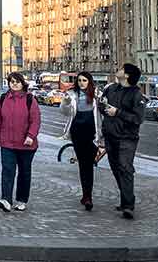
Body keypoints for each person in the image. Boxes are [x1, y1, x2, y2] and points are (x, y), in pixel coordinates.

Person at [101, 63, 146, 220]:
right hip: (110, 135)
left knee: (125, 168)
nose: (117, 70)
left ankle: (128, 206)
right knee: (115, 168)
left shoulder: (136, 94)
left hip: (127, 138)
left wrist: (117, 112)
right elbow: (101, 106)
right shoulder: (111, 89)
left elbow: (138, 118)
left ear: (126, 75)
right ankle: (125, 199)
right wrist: (104, 106)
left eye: (121, 69)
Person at [0, 72, 41, 213]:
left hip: (26, 144)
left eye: (17, 81)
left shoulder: (30, 99)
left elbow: (35, 120)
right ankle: (6, 199)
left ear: (22, 83)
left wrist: (31, 136)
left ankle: (21, 200)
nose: (14, 84)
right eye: (12, 81)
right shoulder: (3, 98)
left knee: (24, 172)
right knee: (7, 170)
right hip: (7, 143)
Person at [60, 72, 104, 211]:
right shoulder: (72, 94)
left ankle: (87, 195)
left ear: (89, 81)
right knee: (83, 165)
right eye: (79, 80)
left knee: (88, 165)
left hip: (92, 133)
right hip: (78, 132)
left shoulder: (97, 94)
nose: (81, 83)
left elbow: (102, 112)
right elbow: (64, 112)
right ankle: (87, 196)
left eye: (84, 80)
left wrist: (102, 136)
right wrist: (66, 102)